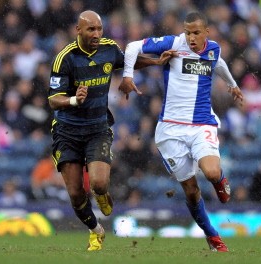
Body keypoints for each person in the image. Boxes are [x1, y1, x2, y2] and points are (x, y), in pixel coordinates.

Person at [48, 10, 173, 251]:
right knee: (75, 193)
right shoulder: (65, 58)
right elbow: (54, 99)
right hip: (67, 132)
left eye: (99, 29)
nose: (96, 34)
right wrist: (74, 100)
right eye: (91, 29)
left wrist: (155, 61)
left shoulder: (108, 48)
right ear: (78, 30)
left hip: (97, 128)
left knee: (98, 183)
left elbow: (129, 61)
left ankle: (102, 193)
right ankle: (96, 230)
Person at [119, 11, 243, 252]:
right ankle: (212, 235)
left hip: (201, 124)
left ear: (207, 32)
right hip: (171, 130)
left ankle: (219, 179)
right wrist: (127, 75)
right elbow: (133, 46)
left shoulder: (213, 49)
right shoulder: (174, 43)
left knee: (211, 171)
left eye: (196, 32)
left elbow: (218, 63)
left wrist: (233, 85)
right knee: (191, 189)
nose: (191, 37)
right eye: (187, 32)